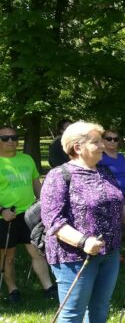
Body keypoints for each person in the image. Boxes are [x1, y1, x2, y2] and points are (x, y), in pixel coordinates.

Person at [40, 121, 125, 322]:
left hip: (109, 252)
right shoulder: (59, 176)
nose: (103, 145)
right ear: (78, 148)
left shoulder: (104, 172)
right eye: (96, 142)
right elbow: (53, 221)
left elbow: (119, 205)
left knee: (100, 307)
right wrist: (84, 242)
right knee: (73, 312)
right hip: (74, 257)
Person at [0, 126, 56, 304]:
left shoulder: (27, 159)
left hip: (29, 214)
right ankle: (13, 290)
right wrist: (2, 210)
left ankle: (48, 287)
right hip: (6, 217)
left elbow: (36, 184)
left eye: (14, 137)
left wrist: (43, 203)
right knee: (8, 258)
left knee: (37, 252)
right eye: (5, 138)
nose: (11, 141)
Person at [98, 130, 125, 203]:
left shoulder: (121, 157)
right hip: (108, 200)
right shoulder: (98, 157)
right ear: (102, 140)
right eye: (109, 139)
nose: (112, 141)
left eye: (116, 139)